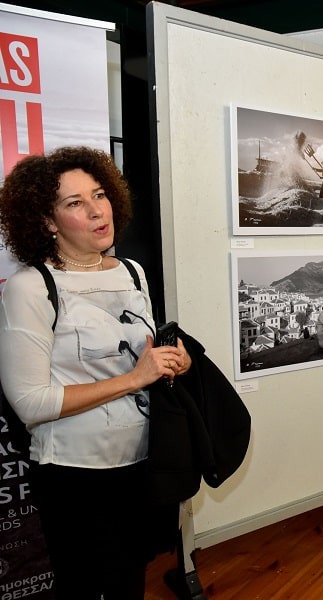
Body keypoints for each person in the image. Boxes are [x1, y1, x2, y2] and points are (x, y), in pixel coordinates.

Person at [0, 146, 192, 599]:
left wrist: (172, 362)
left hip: (143, 461)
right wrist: (134, 379)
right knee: (83, 586)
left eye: (99, 195)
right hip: (76, 474)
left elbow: (142, 356)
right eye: (75, 202)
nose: (96, 210)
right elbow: (30, 403)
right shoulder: (31, 287)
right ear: (46, 221)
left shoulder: (133, 272)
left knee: (130, 581)